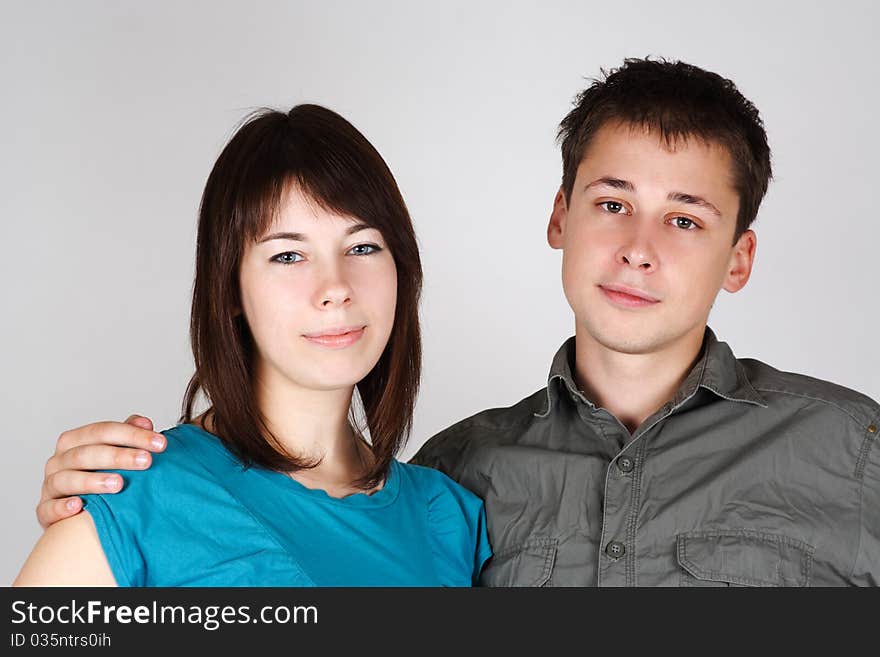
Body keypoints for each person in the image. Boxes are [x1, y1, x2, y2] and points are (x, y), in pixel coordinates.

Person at [31, 59, 880, 586]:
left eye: (686, 219)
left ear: (740, 256)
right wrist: (109, 516)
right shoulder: (468, 476)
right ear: (560, 218)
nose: (638, 249)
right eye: (612, 202)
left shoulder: (442, 506)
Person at [15, 104, 491, 586]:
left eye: (363, 247)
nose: (335, 286)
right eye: (288, 255)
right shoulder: (139, 497)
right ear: (230, 290)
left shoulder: (447, 518)